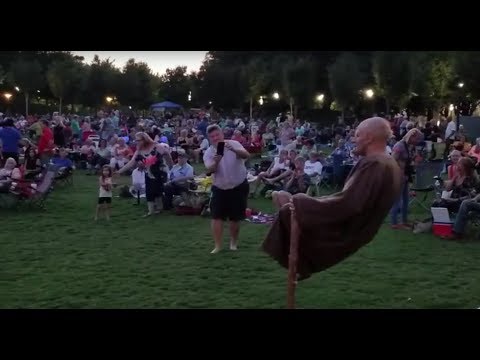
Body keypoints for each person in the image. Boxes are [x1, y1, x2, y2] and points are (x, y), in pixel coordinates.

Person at [262, 117, 402, 281]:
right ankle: (301, 262)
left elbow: (350, 204)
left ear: (369, 137)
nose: (353, 139)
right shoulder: (388, 163)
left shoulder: (375, 164)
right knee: (285, 201)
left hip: (347, 230)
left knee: (289, 207)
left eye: (357, 135)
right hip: (359, 228)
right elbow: (351, 199)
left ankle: (302, 263)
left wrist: (301, 202)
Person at [203, 124, 250, 254]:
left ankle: (233, 243)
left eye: (217, 135)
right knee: (216, 216)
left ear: (222, 134)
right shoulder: (208, 153)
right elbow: (210, 170)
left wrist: (234, 150)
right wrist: (217, 161)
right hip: (219, 187)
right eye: (212, 136)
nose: (215, 138)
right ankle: (217, 246)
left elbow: (247, 155)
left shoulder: (233, 143)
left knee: (235, 217)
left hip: (238, 185)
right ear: (209, 138)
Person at [117, 132, 173, 217]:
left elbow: (167, 154)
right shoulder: (139, 151)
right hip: (148, 173)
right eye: (135, 140)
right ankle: (151, 211)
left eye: (138, 140)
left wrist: (171, 165)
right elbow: (131, 162)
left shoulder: (156, 147)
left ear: (144, 139)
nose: (136, 142)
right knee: (149, 191)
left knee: (158, 191)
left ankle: (159, 209)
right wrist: (119, 171)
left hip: (160, 172)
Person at [390, 128, 423, 229]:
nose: (417, 142)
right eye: (416, 139)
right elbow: (392, 161)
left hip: (405, 176)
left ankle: (404, 221)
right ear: (411, 136)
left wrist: (414, 159)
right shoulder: (399, 146)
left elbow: (408, 160)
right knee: (397, 200)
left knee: (405, 199)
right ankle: (394, 223)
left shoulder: (408, 146)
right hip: (398, 176)